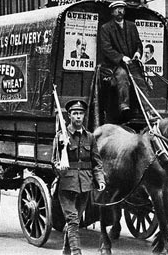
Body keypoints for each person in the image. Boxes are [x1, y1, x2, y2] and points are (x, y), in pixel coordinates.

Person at [52, 99, 106, 255]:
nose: (78, 117)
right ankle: (76, 252)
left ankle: (66, 250)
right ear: (69, 116)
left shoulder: (90, 137)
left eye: (80, 114)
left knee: (74, 221)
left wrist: (100, 179)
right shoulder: (61, 136)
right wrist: (59, 168)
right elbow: (54, 161)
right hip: (67, 184)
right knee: (73, 220)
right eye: (75, 114)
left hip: (85, 184)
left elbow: (96, 162)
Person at [100, 0, 144, 120]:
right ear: (112, 12)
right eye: (117, 9)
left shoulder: (131, 26)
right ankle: (124, 106)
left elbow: (138, 44)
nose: (120, 11)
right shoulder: (106, 28)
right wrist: (121, 58)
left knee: (140, 79)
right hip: (113, 65)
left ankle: (144, 109)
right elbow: (106, 48)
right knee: (122, 76)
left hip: (131, 63)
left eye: (122, 8)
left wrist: (137, 53)